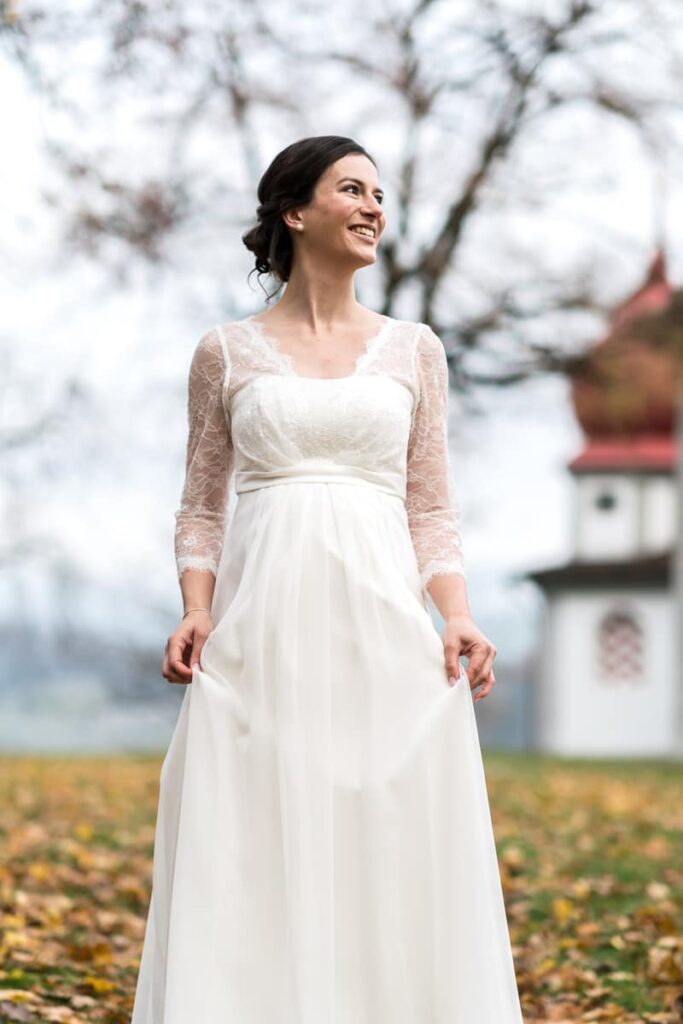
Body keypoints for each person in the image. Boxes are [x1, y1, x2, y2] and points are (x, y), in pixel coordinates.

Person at [130, 135, 525, 1023]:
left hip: (383, 627)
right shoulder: (224, 354)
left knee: (384, 837)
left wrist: (455, 616)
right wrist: (197, 609)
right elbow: (200, 505)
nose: (374, 208)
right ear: (294, 211)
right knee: (252, 842)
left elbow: (430, 508)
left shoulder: (414, 351)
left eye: (380, 195)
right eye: (352, 189)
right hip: (258, 637)